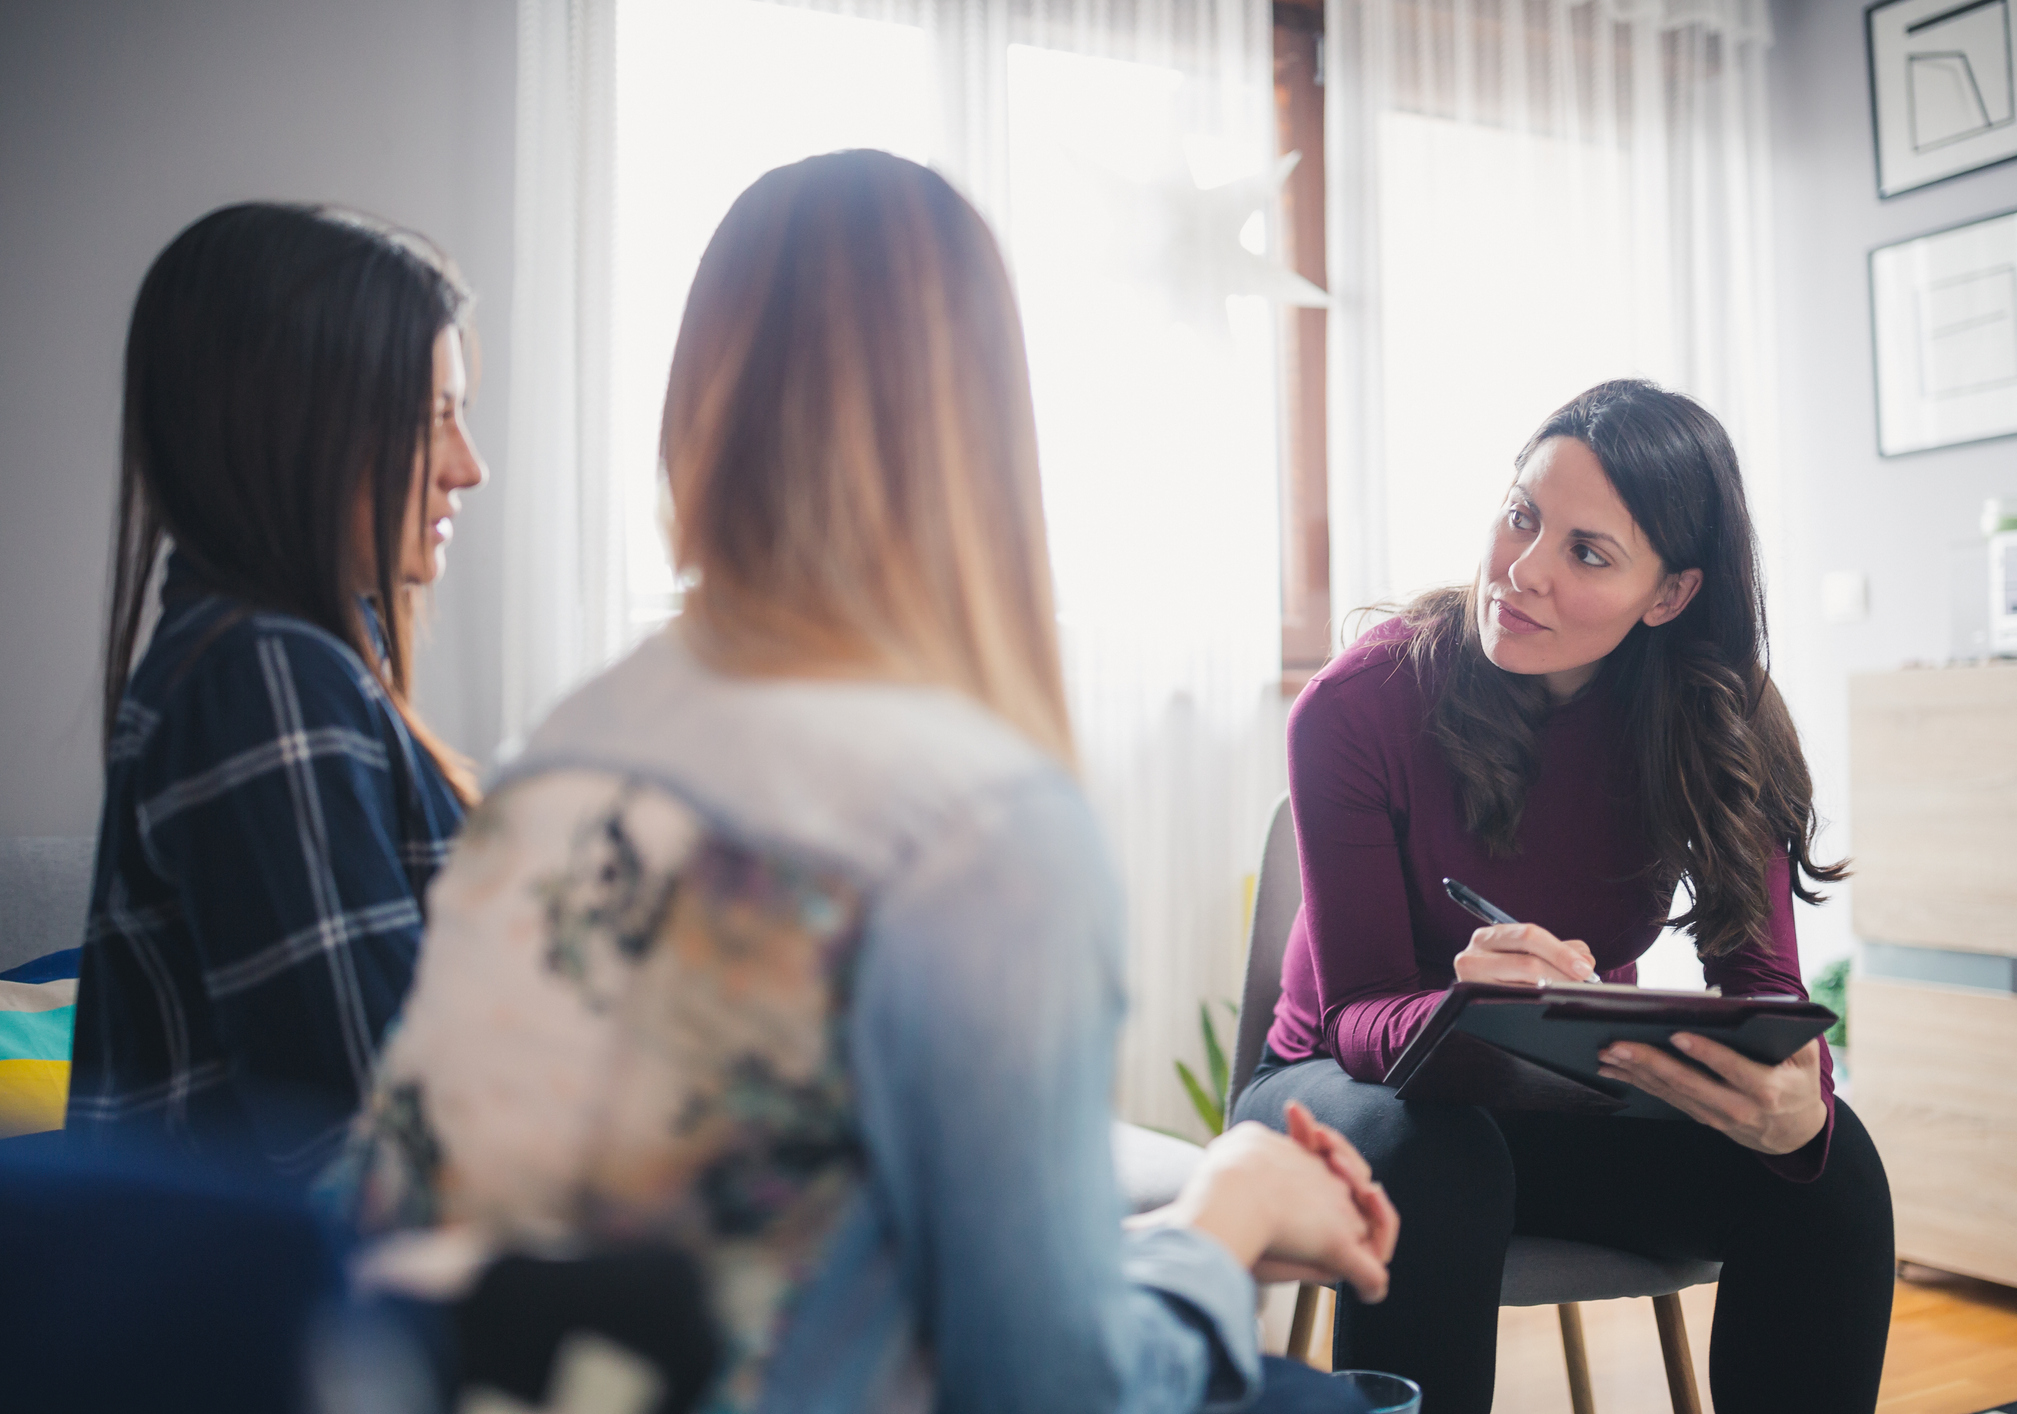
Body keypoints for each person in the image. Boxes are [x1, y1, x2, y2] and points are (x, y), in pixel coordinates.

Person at [333, 150, 1396, 1413]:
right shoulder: (978, 824)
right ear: (986, 426)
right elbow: (1057, 1390)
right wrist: (1221, 1215)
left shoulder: (564, 746)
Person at [1233, 380, 1896, 1414]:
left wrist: (1794, 1104)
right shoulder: (1359, 705)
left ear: (1669, 595)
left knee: (1832, 1165)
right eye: (1521, 515)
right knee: (1436, 1156)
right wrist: (1462, 1005)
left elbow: (1763, 985)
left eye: (1587, 552)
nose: (1522, 572)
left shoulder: (1718, 719)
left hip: (1546, 1101)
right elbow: (1354, 1014)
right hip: (1331, 1092)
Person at [68, 203, 487, 1185]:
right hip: (258, 1322)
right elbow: (367, 1140)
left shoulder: (285, 658)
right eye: (434, 421)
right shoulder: (260, 678)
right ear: (298, 432)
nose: (469, 467)